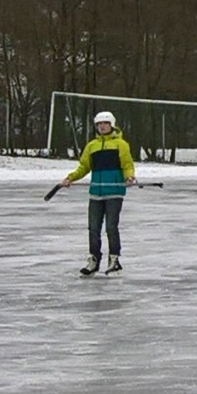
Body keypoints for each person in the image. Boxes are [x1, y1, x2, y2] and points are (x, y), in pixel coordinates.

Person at [60, 111, 136, 275]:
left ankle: (114, 259)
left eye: (105, 123)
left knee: (111, 227)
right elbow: (84, 167)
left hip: (114, 192)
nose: (102, 126)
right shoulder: (91, 146)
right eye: (99, 124)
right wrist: (70, 178)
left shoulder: (120, 144)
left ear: (111, 125)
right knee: (93, 228)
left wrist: (129, 176)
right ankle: (94, 260)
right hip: (96, 193)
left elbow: (127, 164)